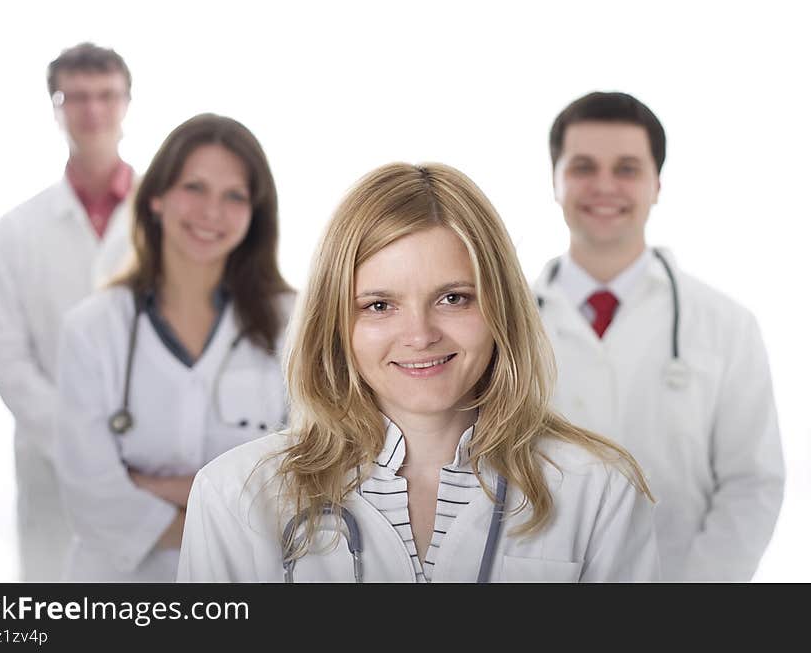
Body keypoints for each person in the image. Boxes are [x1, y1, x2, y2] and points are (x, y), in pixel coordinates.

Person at [177, 162, 659, 583]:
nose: (419, 335)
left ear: (501, 307)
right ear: (333, 323)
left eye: (453, 298)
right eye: (379, 305)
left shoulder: (597, 491)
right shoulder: (235, 496)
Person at [534, 91, 784, 581]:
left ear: (657, 184)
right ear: (556, 182)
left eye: (627, 168)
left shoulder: (726, 325)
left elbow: (751, 484)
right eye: (583, 167)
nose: (604, 186)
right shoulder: (503, 323)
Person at [54, 113, 294, 581]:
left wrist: (150, 486)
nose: (211, 212)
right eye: (194, 188)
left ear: (255, 214)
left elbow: (307, 482)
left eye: (234, 196)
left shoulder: (294, 324)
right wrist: (229, 510)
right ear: (157, 197)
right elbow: (92, 499)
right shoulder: (92, 329)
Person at [0, 42, 136, 581]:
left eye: (106, 96)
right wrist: (76, 439)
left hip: (153, 461)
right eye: (76, 97)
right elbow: (5, 353)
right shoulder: (17, 231)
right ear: (55, 107)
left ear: (127, 103)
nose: (92, 111)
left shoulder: (168, 221)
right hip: (50, 464)